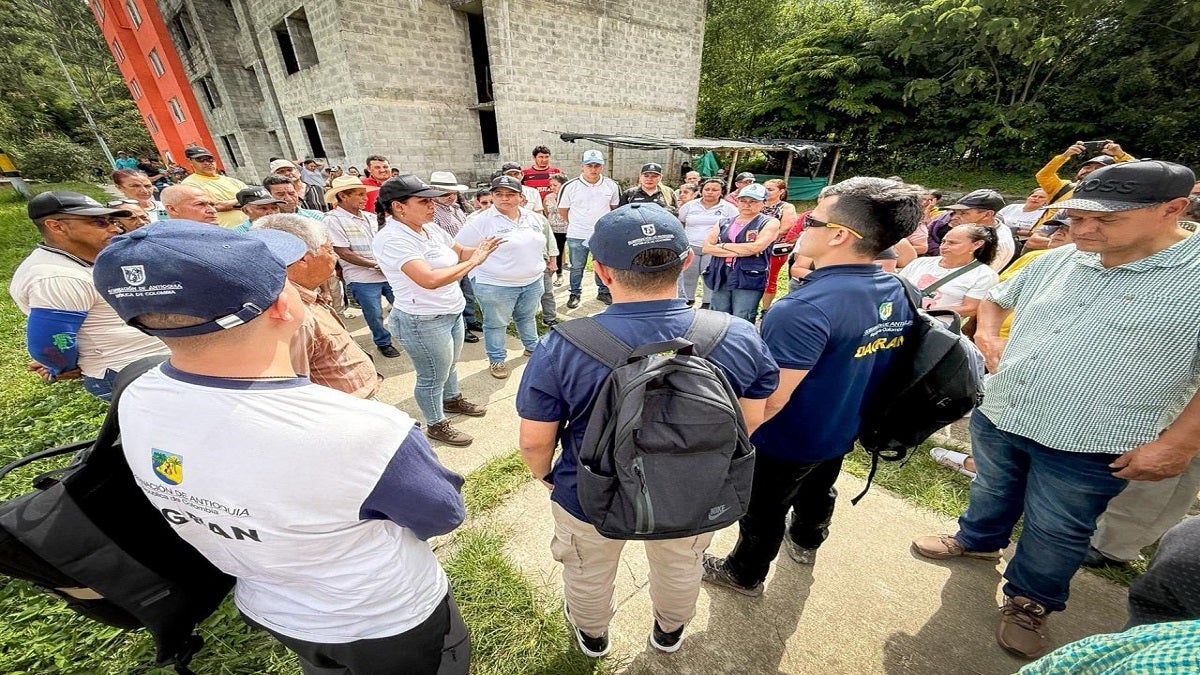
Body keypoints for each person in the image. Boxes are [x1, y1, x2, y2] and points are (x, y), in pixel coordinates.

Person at [92, 220, 471, 675]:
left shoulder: (135, 392)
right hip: (383, 618)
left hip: (272, 607)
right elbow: (443, 515)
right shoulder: (366, 430)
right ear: (282, 306)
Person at [912, 160, 1200, 660]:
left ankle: (1030, 599)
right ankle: (977, 539)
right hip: (1005, 412)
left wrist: (1179, 442)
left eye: (1105, 220)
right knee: (992, 487)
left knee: (1059, 525)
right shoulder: (1058, 259)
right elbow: (996, 300)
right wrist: (988, 334)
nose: (1083, 229)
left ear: (1171, 209)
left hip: (1093, 439)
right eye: (1078, 216)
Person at [516, 203, 778, 656]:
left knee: (587, 568)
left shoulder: (564, 344)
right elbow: (752, 417)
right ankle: (670, 631)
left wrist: (547, 475)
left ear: (600, 271)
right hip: (695, 487)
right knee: (681, 564)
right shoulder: (737, 333)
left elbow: (535, 439)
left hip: (590, 489)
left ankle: (593, 635)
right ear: (687, 261)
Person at [701, 177, 920, 592]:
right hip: (844, 425)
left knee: (764, 509)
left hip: (788, 438)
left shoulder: (803, 307)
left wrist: (731, 445)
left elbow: (771, 400)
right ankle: (807, 538)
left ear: (839, 234)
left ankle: (745, 573)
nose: (801, 226)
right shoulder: (897, 287)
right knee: (821, 487)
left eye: (814, 220)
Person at [372, 175, 495, 446]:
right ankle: (436, 424)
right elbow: (428, 279)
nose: (433, 205)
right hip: (422, 319)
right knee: (431, 376)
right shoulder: (392, 239)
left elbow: (461, 251)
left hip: (450, 312)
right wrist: (476, 261)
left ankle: (451, 400)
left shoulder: (430, 229)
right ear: (398, 206)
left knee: (449, 365)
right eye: (424, 201)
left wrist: (491, 247)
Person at [9, 191, 167, 400]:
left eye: (111, 220)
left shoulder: (87, 258)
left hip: (150, 362)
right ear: (56, 226)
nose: (114, 228)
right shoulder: (56, 276)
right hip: (129, 371)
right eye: (99, 222)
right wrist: (60, 366)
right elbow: (50, 344)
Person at [249, 216, 381, 398]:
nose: (335, 256)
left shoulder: (303, 298)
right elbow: (291, 390)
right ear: (303, 258)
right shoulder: (294, 316)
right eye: (329, 249)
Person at [456, 176, 551, 380]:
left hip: (532, 281)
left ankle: (532, 347)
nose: (504, 198)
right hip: (495, 285)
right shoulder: (480, 221)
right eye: (498, 194)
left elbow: (540, 242)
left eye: (510, 194)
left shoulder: (531, 217)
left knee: (526, 317)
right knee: (496, 324)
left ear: (521, 198)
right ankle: (497, 359)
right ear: (492, 196)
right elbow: (458, 249)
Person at [324, 174, 401, 358]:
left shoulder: (370, 217)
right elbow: (343, 252)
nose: (365, 198)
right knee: (374, 312)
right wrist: (375, 265)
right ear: (343, 196)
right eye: (359, 194)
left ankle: (405, 335)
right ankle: (383, 342)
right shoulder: (332, 220)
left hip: (386, 273)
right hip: (362, 277)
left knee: (401, 305)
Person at [701, 182, 779, 322]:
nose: (747, 204)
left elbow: (756, 247)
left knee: (743, 315)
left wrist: (722, 246)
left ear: (764, 203)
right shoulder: (724, 222)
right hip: (721, 272)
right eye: (743, 200)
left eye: (753, 201)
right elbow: (707, 247)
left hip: (748, 276)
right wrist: (741, 250)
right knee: (719, 314)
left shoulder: (769, 222)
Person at [558, 149, 621, 308]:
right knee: (577, 266)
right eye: (589, 165)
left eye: (597, 165)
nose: (593, 169)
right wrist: (575, 222)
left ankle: (603, 291)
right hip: (577, 233)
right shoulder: (570, 186)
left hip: (602, 234)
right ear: (582, 166)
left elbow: (615, 208)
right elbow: (563, 209)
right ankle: (575, 293)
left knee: (601, 264)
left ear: (602, 166)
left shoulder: (611, 185)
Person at [899, 225, 1001, 320]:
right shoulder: (920, 262)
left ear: (977, 244)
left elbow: (971, 309)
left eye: (952, 243)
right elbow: (897, 287)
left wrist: (924, 312)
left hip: (933, 330)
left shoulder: (985, 275)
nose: (943, 247)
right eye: (943, 242)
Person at [1031, 140, 1134, 231]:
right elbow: (1044, 175)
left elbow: (1141, 176)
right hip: (1039, 235)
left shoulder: (1113, 193)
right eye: (1087, 167)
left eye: (1099, 168)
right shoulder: (1064, 187)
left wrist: (1121, 155)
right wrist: (1065, 156)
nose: (1090, 170)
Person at [428, 171, 481, 344]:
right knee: (456, 293)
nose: (450, 196)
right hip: (449, 261)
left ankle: (470, 320)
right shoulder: (432, 213)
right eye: (445, 193)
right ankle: (462, 327)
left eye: (452, 192)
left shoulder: (456, 208)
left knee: (468, 292)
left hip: (464, 257)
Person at [677, 178, 738, 307]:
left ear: (722, 192)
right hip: (690, 247)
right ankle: (687, 301)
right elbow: (681, 221)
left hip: (713, 248)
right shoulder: (690, 206)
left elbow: (734, 225)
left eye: (715, 190)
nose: (710, 192)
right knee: (688, 274)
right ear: (701, 190)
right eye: (707, 189)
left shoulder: (729, 208)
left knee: (710, 276)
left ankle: (707, 302)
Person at [941, 189, 1015, 271]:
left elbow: (980, 275)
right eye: (955, 212)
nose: (954, 217)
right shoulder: (973, 228)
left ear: (987, 214)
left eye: (964, 213)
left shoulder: (999, 243)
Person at [759, 178, 800, 314]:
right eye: (765, 189)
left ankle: (765, 310)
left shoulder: (786, 207)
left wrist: (763, 237)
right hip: (754, 246)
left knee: (770, 278)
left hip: (775, 249)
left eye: (771, 189)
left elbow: (786, 228)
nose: (767, 192)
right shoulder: (758, 203)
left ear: (781, 191)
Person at [180, 146, 247, 227]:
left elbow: (253, 200)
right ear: (190, 161)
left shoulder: (234, 181)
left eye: (210, 159)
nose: (207, 163)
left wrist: (228, 204)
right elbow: (213, 206)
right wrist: (242, 201)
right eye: (200, 159)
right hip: (224, 231)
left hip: (250, 228)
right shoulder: (189, 184)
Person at [543, 174, 570, 287]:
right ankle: (559, 275)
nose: (552, 187)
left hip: (568, 227)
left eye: (555, 185)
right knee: (557, 251)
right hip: (554, 229)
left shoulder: (569, 196)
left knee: (573, 251)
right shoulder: (548, 197)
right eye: (550, 185)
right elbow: (546, 212)